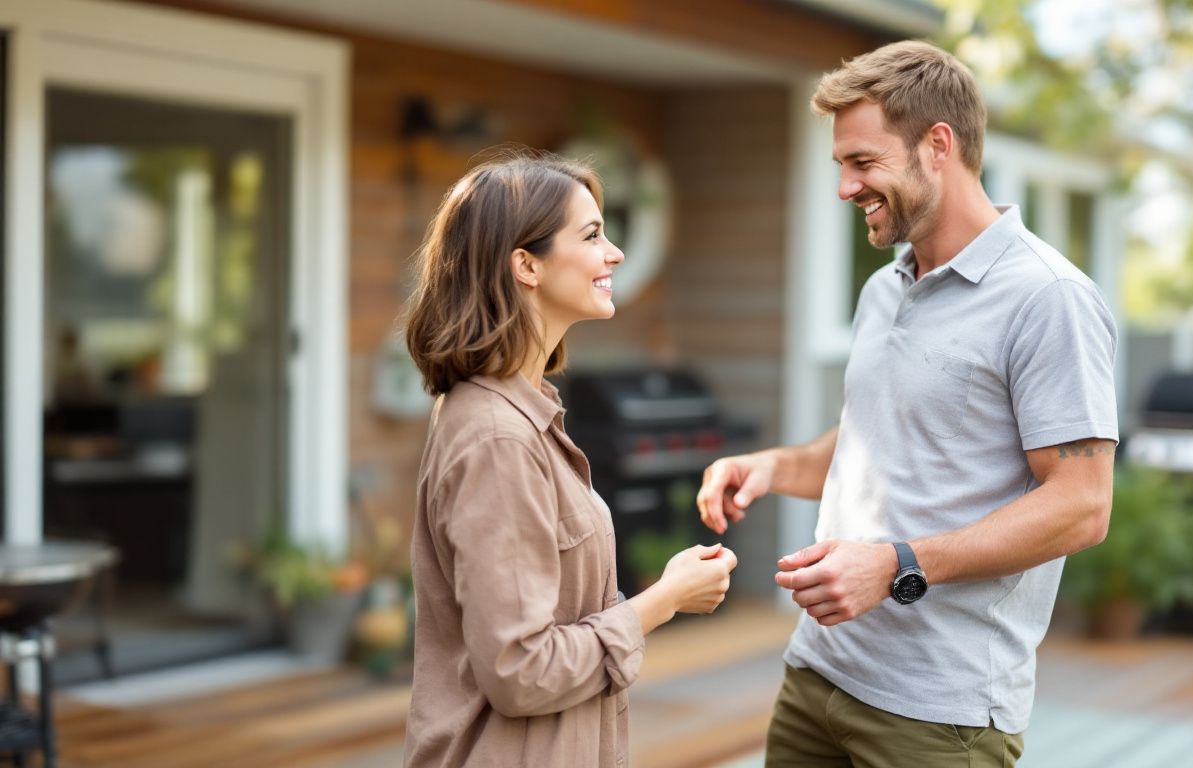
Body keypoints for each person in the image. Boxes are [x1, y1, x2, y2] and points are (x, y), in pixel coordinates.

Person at [697, 41, 1117, 767]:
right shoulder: (885, 286)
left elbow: (1082, 504)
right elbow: (876, 439)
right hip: (816, 675)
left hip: (938, 714)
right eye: (840, 166)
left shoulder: (1049, 299)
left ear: (938, 145)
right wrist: (771, 466)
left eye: (862, 163)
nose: (844, 188)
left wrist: (896, 565)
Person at [402, 150, 737, 768]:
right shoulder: (498, 437)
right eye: (592, 235)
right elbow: (520, 669)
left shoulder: (521, 412)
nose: (615, 254)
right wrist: (663, 599)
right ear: (526, 264)